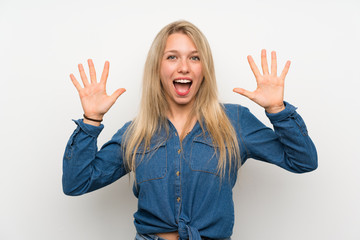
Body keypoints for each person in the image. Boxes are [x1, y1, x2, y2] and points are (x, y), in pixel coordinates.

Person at [63, 20, 317, 240]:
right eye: (172, 56)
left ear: (204, 69)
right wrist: (91, 120)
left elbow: (303, 161)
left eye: (194, 57)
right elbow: (76, 183)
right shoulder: (136, 132)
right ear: (158, 68)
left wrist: (278, 109)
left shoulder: (235, 121)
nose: (183, 67)